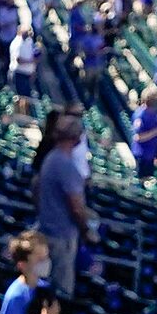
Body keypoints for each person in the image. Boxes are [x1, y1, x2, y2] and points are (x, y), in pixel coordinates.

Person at [32, 109, 95, 295]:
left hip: (48, 228)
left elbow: (35, 187)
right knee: (61, 291)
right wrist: (86, 230)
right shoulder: (64, 165)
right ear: (76, 138)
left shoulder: (50, 159)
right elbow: (76, 206)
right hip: (61, 236)